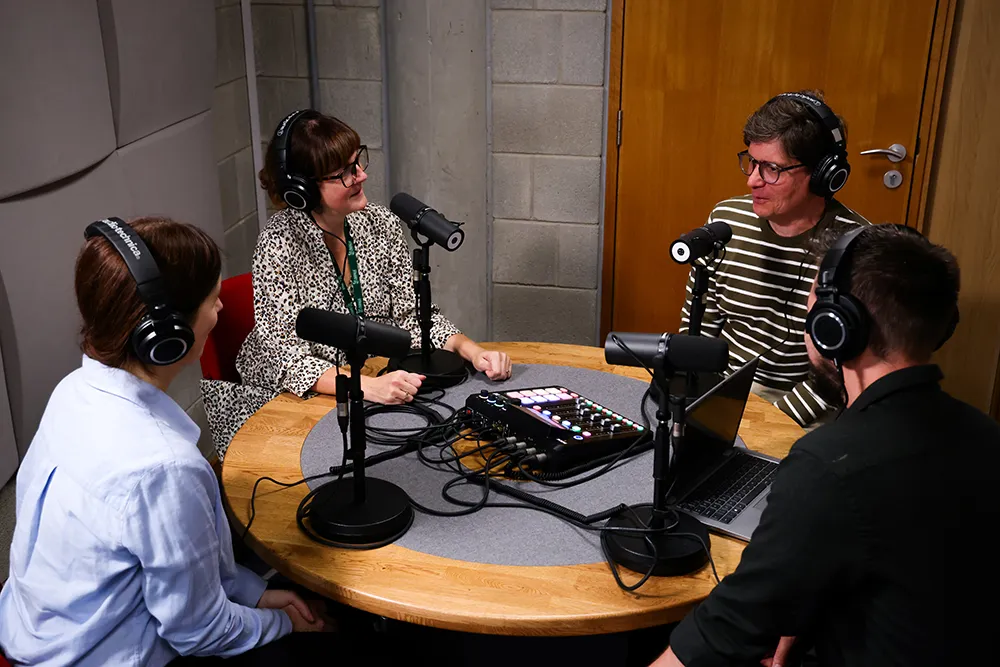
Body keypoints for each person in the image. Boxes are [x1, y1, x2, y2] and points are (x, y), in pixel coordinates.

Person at [653, 224, 1000, 666]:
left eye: (812, 303)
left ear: (835, 326)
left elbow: (725, 630)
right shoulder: (985, 433)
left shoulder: (830, 466)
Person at [0, 217, 337, 666]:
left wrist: (256, 593)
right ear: (167, 337)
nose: (220, 310)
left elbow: (173, 560)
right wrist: (284, 623)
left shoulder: (73, 390)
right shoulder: (163, 467)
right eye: (213, 301)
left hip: (36, 629)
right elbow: (199, 632)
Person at [203, 110, 512, 459]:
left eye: (358, 162)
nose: (362, 175)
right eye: (346, 172)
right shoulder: (279, 244)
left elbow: (412, 316)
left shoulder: (380, 224)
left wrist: (473, 352)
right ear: (304, 189)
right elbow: (286, 359)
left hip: (363, 381)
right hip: (290, 397)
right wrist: (368, 387)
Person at [680, 91, 870, 428]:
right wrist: (700, 399)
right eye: (751, 162)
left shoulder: (856, 248)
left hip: (810, 406)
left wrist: (767, 424)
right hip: (725, 390)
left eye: (771, 168)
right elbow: (700, 325)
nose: (752, 180)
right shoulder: (727, 221)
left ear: (822, 173)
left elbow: (841, 370)